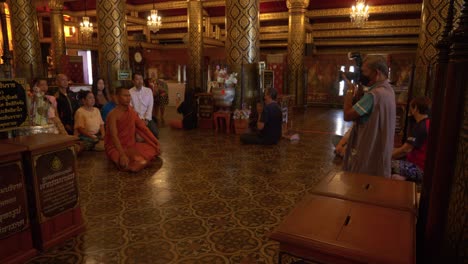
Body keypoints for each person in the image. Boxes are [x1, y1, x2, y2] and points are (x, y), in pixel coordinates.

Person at [342, 55, 396, 177]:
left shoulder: (373, 95)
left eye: (365, 72)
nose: (362, 76)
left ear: (376, 72)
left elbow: (347, 115)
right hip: (382, 146)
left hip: (369, 148)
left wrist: (350, 91)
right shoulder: (388, 90)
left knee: (362, 178)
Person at [105, 87, 160, 172]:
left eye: (129, 96)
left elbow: (143, 128)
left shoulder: (132, 112)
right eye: (125, 96)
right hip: (116, 147)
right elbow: (114, 136)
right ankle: (139, 162)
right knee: (124, 163)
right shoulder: (113, 115)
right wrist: (122, 154)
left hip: (131, 145)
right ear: (117, 97)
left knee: (153, 149)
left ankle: (139, 162)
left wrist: (156, 142)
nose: (128, 98)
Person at [391, 97, 431, 182]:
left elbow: (405, 149)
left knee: (386, 164)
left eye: (410, 107)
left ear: (415, 108)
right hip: (424, 167)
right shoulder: (427, 122)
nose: (409, 110)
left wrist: (387, 156)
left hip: (419, 168)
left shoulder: (420, 126)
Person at [129, 73, 159, 138]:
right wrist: (138, 120)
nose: (140, 81)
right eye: (137, 79)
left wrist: (146, 119)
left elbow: (150, 107)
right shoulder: (130, 92)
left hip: (147, 119)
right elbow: (130, 108)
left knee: (155, 133)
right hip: (135, 119)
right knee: (131, 135)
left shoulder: (148, 91)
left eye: (141, 79)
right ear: (133, 81)